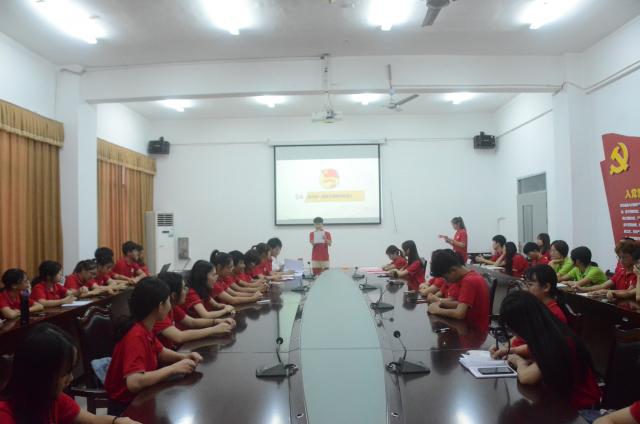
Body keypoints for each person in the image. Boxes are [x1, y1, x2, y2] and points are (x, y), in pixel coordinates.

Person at [0, 323, 140, 424]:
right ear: (41, 376)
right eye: (65, 373)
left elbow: (93, 420)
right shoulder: (5, 416)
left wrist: (117, 421)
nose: (71, 378)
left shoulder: (52, 399)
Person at [105, 277, 203, 415]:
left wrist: (184, 357)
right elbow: (134, 382)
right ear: (160, 306)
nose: (170, 306)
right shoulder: (136, 335)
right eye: (168, 301)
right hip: (127, 407)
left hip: (142, 396)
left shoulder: (144, 327)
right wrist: (173, 369)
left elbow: (161, 352)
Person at [498, 291, 600, 410]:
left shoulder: (556, 342)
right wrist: (512, 351)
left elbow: (526, 378)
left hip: (582, 410)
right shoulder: (547, 329)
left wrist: (518, 361)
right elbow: (532, 349)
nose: (514, 334)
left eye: (512, 329)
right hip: (562, 401)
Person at [490, 265, 567, 359]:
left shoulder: (554, 315)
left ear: (546, 287)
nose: (525, 289)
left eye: (530, 285)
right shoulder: (534, 307)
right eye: (525, 284)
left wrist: (510, 351)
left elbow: (541, 348)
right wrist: (504, 346)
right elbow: (520, 337)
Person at [154, 272, 235, 349]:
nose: (187, 290)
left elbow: (192, 322)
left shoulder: (173, 307)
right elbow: (179, 336)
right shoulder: (159, 314)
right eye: (183, 288)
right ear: (174, 296)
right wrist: (214, 329)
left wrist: (217, 321)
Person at [427, 250, 490, 331]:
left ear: (453, 270)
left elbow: (459, 314)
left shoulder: (469, 281)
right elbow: (460, 304)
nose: (446, 281)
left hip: (474, 331)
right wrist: (440, 302)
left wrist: (437, 310)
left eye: (445, 277)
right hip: (471, 327)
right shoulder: (471, 276)